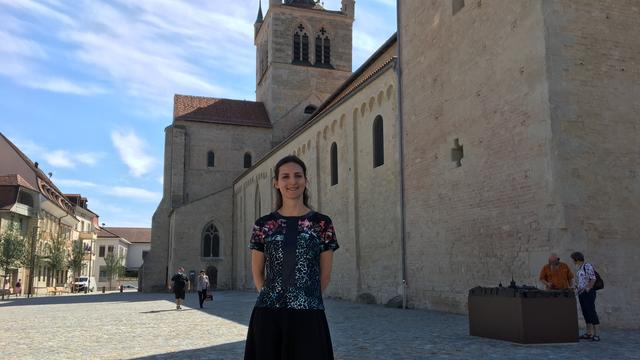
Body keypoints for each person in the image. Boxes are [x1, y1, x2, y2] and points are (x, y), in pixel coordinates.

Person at [244, 155, 339, 360]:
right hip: (268, 315)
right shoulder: (263, 225)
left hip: (309, 315)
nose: (292, 181)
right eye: (285, 177)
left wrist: (304, 298)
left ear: (306, 180)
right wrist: (274, 296)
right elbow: (257, 272)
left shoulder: (322, 224)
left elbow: (325, 275)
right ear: (276, 183)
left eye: (298, 175)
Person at [571, 251, 600, 341]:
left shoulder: (587, 266)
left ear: (577, 259)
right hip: (581, 293)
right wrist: (575, 287)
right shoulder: (580, 268)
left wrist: (588, 288)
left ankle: (596, 334)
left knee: (591, 312)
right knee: (585, 312)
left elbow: (593, 278)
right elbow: (580, 282)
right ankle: (589, 333)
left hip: (588, 293)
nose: (573, 261)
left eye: (573, 260)